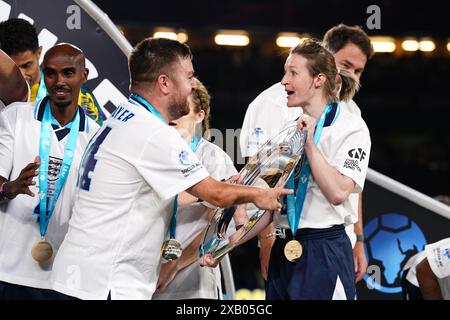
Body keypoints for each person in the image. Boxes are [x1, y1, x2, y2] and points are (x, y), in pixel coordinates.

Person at [50, 37, 292, 300]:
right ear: (164, 83)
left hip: (81, 277)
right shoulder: (153, 133)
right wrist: (260, 194)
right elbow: (216, 194)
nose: (191, 86)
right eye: (188, 77)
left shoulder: (122, 117)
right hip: (106, 283)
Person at [240, 24, 373, 282]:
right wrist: (266, 239)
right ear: (325, 58)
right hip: (283, 235)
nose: (351, 75)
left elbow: (351, 184)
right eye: (345, 65)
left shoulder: (352, 114)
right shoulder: (270, 104)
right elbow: (262, 182)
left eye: (358, 70)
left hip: (333, 239)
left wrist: (358, 238)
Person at [0, 43, 100, 299]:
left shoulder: (98, 139)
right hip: (9, 272)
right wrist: (9, 188)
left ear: (84, 75)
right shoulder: (16, 118)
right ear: (43, 74)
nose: (59, 81)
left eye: (68, 73)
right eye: (51, 73)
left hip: (65, 279)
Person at [152, 78, 237, 300]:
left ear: (199, 115)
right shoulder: (152, 153)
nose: (173, 116)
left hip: (194, 278)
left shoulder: (212, 158)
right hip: (148, 276)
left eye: (182, 109)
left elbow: (218, 225)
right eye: (169, 107)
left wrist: (175, 264)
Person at [0, 18, 106, 125]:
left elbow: (98, 136)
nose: (21, 75)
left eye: (26, 66)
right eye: (14, 69)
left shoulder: (75, 93)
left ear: (39, 52)